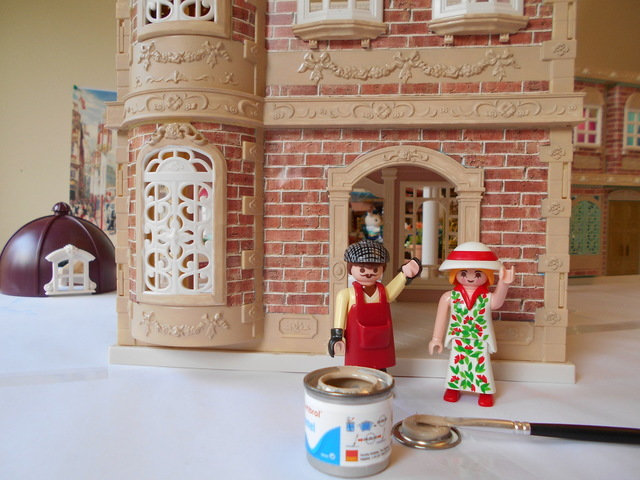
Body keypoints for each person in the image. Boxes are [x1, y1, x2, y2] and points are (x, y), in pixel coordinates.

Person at [428, 242, 515, 407]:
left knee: (481, 365)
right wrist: (436, 338)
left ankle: (485, 391)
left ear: (487, 275)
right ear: (455, 274)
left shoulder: (486, 297)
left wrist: (504, 284)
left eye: (478, 273)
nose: (470, 277)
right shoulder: (449, 297)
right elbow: (441, 317)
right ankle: (453, 388)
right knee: (457, 363)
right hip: (459, 337)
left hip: (479, 338)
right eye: (463, 273)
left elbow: (497, 302)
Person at [328, 240, 422, 370]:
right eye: (362, 269)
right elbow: (340, 316)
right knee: (358, 364)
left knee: (380, 362)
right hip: (356, 340)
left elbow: (393, 291)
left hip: (381, 337)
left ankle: (380, 374)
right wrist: (337, 336)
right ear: (350, 268)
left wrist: (404, 275)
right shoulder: (346, 294)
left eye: (375, 269)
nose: (369, 273)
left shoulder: (382, 292)